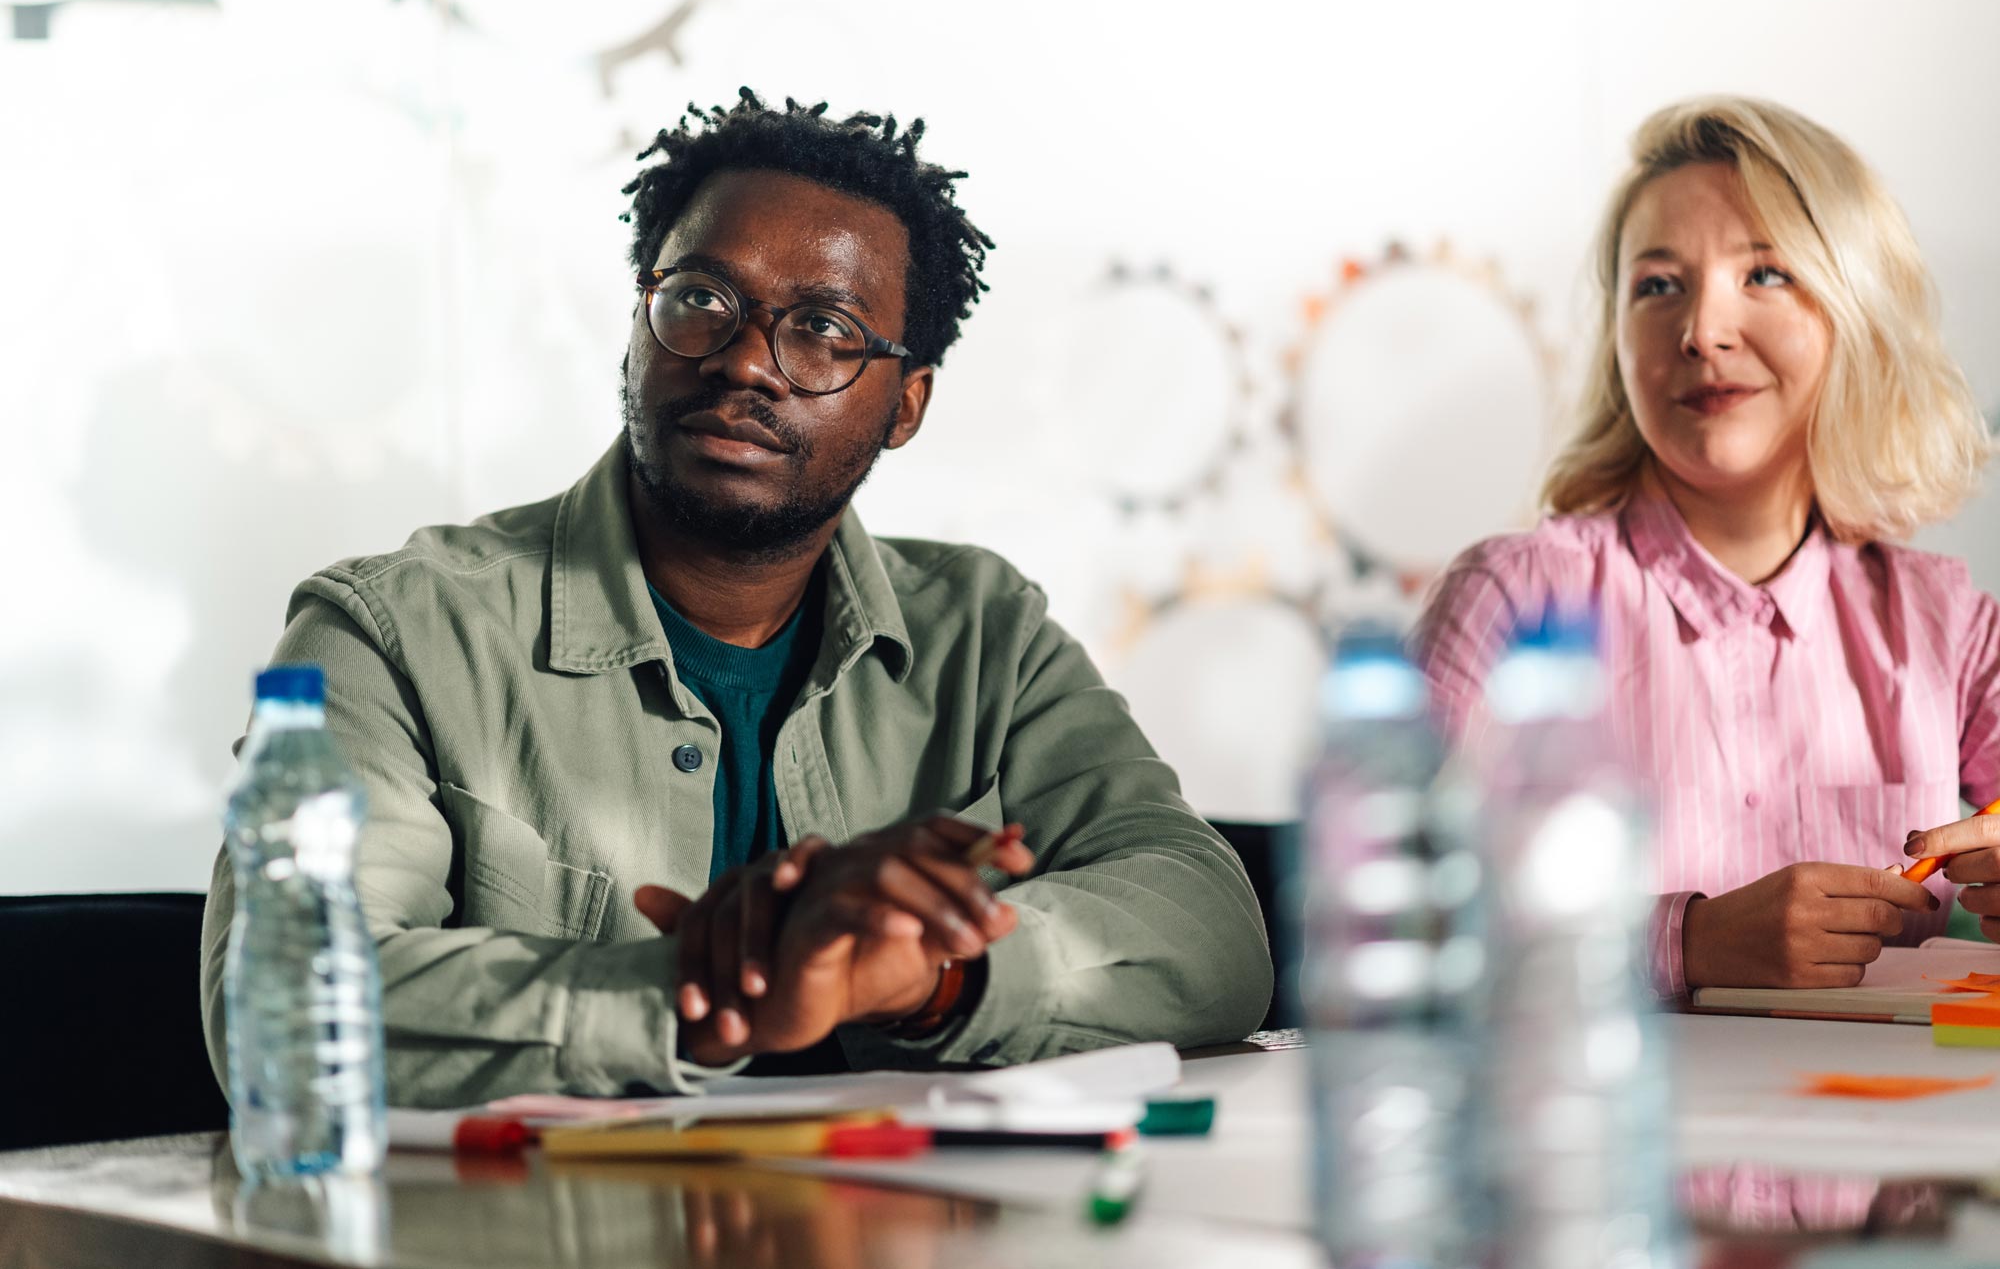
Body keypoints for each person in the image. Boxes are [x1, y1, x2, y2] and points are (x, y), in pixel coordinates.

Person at [198, 90, 1272, 1106]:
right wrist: (697, 997)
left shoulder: (984, 633)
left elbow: (1210, 930)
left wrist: (920, 973)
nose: (748, 363)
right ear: (636, 323)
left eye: (822, 329)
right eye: (702, 299)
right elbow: (285, 998)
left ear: (905, 405)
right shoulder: (393, 633)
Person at [1415, 96, 2000, 995]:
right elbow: (1397, 916)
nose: (1700, 331)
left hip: (1882, 1132)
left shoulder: (1944, 624)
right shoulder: (1510, 599)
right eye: (1657, 285)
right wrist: (1680, 940)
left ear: (1855, 311)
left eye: (1763, 274)